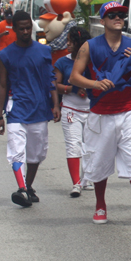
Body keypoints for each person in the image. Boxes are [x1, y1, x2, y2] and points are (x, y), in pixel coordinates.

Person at [69, 1, 131, 226]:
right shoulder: (90, 46)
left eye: (121, 14)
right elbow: (74, 77)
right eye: (112, 15)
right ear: (103, 21)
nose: (118, 18)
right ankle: (100, 205)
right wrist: (95, 84)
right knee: (99, 160)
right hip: (100, 112)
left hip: (128, 109)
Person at [0, 11, 61, 207]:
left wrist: (56, 104)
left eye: (28, 28)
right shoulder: (5, 55)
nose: (25, 31)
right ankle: (22, 188)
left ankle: (28, 186)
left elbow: (51, 79)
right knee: (16, 151)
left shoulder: (43, 52)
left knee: (36, 154)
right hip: (17, 109)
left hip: (40, 109)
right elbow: (2, 85)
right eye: (21, 28)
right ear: (14, 29)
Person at [54, 26, 92, 198]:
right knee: (73, 145)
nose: (67, 44)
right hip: (71, 110)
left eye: (70, 41)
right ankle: (76, 183)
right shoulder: (62, 62)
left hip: (92, 110)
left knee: (90, 146)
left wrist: (88, 89)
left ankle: (88, 178)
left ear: (80, 44)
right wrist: (72, 89)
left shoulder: (93, 61)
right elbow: (55, 85)